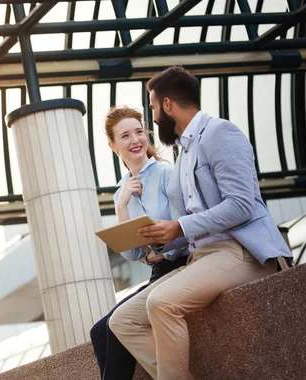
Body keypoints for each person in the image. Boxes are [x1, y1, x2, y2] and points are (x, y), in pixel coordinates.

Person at [108, 66, 293, 380]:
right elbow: (190, 226)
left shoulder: (220, 133)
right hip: (201, 257)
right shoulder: (183, 152)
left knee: (162, 302)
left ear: (168, 105)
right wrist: (162, 239)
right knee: (121, 321)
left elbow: (241, 205)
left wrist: (178, 227)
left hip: (243, 251)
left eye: (152, 108)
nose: (152, 119)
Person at [90, 106, 189, 380]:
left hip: (182, 264)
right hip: (159, 273)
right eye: (125, 136)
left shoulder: (167, 175)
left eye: (138, 132)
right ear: (113, 145)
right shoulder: (122, 191)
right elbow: (133, 254)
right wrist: (122, 205)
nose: (135, 140)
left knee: (112, 326)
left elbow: (183, 232)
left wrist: (156, 250)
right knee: (99, 331)